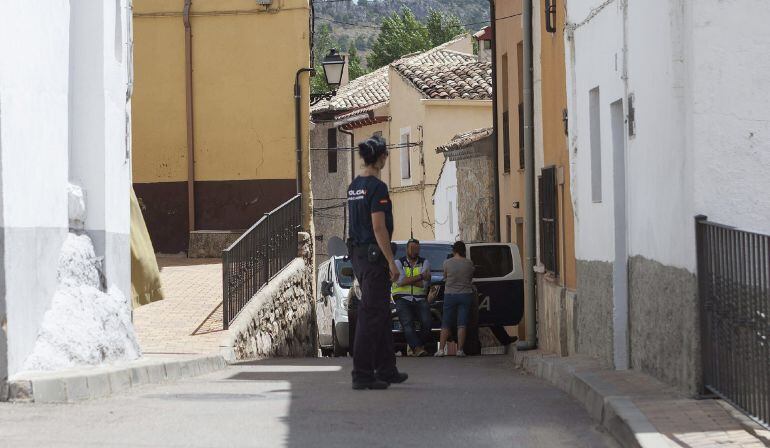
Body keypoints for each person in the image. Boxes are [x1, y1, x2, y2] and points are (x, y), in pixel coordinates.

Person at [347, 135, 408, 390]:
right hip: (374, 257)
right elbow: (379, 227)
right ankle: (362, 374)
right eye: (386, 156)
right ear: (380, 157)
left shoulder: (354, 186)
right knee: (371, 314)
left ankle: (386, 369)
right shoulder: (377, 187)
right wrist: (391, 262)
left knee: (381, 312)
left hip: (359, 255)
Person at [392, 239, 432, 357]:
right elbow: (400, 282)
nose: (415, 251)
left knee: (427, 323)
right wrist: (420, 276)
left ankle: (416, 346)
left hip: (420, 298)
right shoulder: (398, 263)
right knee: (407, 323)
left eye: (417, 248)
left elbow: (424, 284)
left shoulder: (425, 263)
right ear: (407, 249)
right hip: (402, 298)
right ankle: (417, 348)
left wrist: (407, 280)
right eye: (412, 248)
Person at [436, 240, 475, 357]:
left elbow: (445, 277)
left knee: (446, 323)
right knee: (462, 323)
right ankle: (460, 350)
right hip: (465, 295)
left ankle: (441, 350)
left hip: (450, 295)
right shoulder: (469, 263)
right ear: (464, 251)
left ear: (454, 250)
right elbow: (470, 278)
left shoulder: (447, 263)